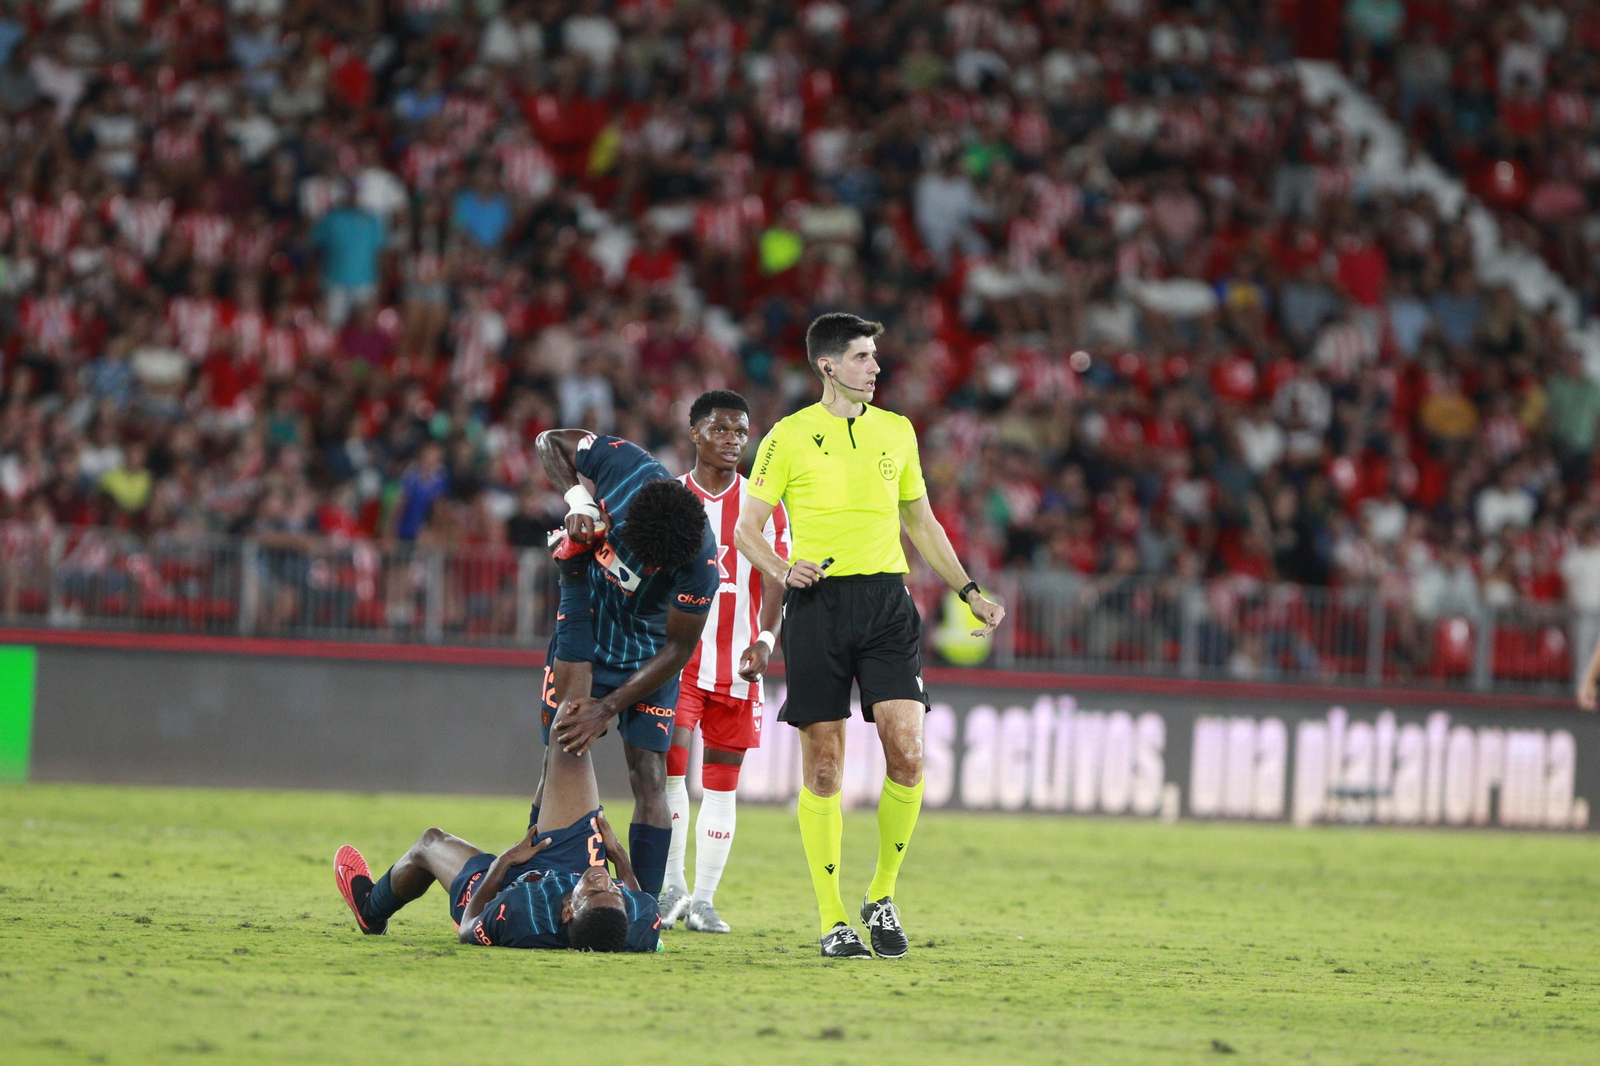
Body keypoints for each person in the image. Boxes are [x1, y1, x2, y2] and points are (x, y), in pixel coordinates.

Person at [733, 312, 1006, 959]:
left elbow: (922, 520)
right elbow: (747, 528)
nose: (875, 368)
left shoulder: (897, 432)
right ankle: (832, 919)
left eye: (875, 357)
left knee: (907, 752)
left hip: (886, 601)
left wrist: (970, 590)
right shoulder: (788, 437)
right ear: (826, 366)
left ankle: (880, 896)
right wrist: (780, 566)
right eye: (861, 357)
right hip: (818, 606)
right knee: (824, 767)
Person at [531, 428, 719, 897]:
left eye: (662, 569)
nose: (651, 572)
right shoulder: (624, 466)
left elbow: (680, 649)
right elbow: (549, 440)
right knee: (560, 758)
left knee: (650, 775)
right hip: (586, 632)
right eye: (647, 562)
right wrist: (579, 500)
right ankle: (544, 883)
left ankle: (646, 909)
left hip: (648, 654)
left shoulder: (700, 559)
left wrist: (609, 706)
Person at [332, 703, 662, 953]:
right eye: (614, 891)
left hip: (505, 885)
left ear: (567, 912)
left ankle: (371, 910)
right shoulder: (637, 921)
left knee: (431, 843)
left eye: (594, 891)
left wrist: (505, 861)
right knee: (569, 725)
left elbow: (467, 928)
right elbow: (636, 897)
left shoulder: (519, 915)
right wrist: (617, 855)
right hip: (572, 863)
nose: (604, 881)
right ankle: (544, 814)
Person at [658, 390, 789, 934]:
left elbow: (777, 577)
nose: (733, 441)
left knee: (721, 784)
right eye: (720, 430)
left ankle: (704, 900)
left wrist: (764, 638)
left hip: (738, 667)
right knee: (669, 776)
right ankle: (671, 888)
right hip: (677, 664)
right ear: (694, 433)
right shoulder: (669, 500)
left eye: (741, 432)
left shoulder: (765, 507)